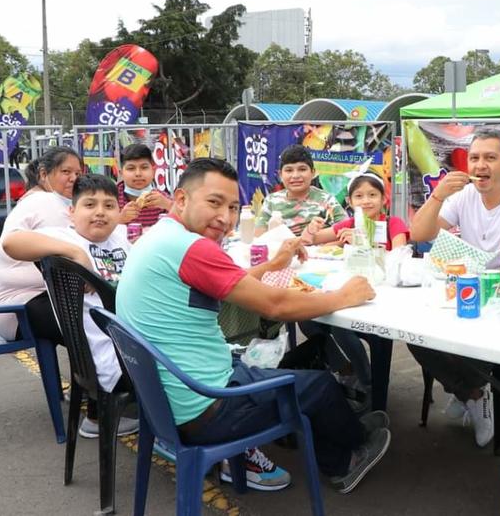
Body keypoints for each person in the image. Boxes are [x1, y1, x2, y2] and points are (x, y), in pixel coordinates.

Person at [116, 158, 392, 494]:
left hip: (167, 402)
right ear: (182, 199)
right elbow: (275, 305)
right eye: (214, 202)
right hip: (207, 408)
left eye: (233, 207)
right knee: (320, 386)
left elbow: (230, 283)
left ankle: (338, 431)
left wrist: (274, 264)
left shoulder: (161, 236)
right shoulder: (192, 247)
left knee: (294, 368)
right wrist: (344, 296)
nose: (225, 217)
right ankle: (348, 458)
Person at [408, 129, 500, 447]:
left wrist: (466, 282)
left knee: (471, 340)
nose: (480, 165)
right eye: (474, 158)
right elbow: (419, 233)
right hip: (468, 289)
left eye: (490, 158)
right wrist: (438, 196)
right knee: (415, 336)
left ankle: (473, 392)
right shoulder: (464, 196)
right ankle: (472, 392)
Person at [1, 173, 138, 439]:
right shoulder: (66, 238)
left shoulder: (120, 239)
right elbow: (10, 242)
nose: (100, 212)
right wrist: (75, 253)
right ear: (72, 212)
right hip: (114, 361)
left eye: (109, 206)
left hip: (126, 347)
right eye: (90, 204)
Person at [299, 167, 411, 410]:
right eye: (359, 196)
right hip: (351, 290)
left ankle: (369, 383)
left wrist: (362, 240)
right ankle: (347, 369)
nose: (366, 201)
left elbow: (400, 255)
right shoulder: (349, 223)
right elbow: (312, 240)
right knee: (306, 320)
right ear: (349, 202)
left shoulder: (393, 223)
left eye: (372, 195)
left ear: (384, 199)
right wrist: (312, 229)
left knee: (341, 327)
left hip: (384, 298)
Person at [0, 146, 84, 344]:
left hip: (30, 301)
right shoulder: (46, 202)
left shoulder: (38, 199)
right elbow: (78, 246)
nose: (73, 179)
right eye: (66, 172)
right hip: (18, 309)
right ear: (43, 174)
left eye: (78, 173)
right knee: (97, 323)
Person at [254, 144, 347, 238]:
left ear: (313, 173)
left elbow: (345, 229)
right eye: (289, 170)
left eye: (302, 169)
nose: (295, 176)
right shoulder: (271, 201)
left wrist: (312, 238)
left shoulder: (326, 200)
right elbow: (258, 237)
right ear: (280, 175)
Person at [116, 143, 172, 229]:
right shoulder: (112, 198)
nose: (138, 174)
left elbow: (186, 220)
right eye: (131, 168)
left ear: (153, 171)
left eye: (144, 167)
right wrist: (120, 219)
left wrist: (168, 205)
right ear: (121, 173)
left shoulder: (162, 199)